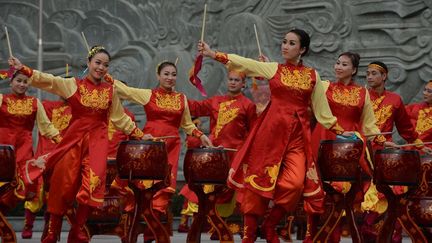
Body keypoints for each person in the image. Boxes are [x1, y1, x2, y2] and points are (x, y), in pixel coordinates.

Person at [198, 28, 349, 243]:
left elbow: (322, 111)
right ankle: (249, 234)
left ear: (303, 49)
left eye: (291, 43)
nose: (285, 46)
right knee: (257, 182)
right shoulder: (273, 69)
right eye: (284, 42)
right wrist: (213, 54)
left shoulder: (312, 75)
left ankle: (270, 223)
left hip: (297, 137)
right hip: (270, 134)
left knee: (295, 184)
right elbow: (245, 64)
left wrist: (342, 131)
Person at [8, 45, 145, 243]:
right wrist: (25, 69)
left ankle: (78, 228)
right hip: (74, 141)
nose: (101, 67)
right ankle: (53, 230)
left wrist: (140, 135)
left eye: (105, 65)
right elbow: (50, 81)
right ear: (88, 63)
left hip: (97, 144)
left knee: (94, 184)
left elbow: (120, 118)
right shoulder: (73, 85)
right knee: (62, 185)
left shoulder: (110, 90)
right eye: (97, 63)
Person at [113, 61, 212, 241]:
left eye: (173, 74)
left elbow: (187, 124)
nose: (170, 78)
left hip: (171, 147)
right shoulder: (147, 95)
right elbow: (124, 90)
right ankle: (135, 231)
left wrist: (200, 135)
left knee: (164, 189)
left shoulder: (181, 99)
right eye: (166, 74)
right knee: (143, 189)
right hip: (150, 147)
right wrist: (104, 77)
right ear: (158, 75)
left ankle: (151, 235)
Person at [308, 52, 390, 242]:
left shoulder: (363, 93)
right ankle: (314, 234)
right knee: (320, 188)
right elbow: (304, 89)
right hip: (324, 139)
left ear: (353, 70)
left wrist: (382, 140)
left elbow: (369, 124)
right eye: (337, 63)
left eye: (344, 64)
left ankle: (344, 231)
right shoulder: (324, 86)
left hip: (351, 145)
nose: (338, 67)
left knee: (351, 188)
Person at [178, 68, 257, 236]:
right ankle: (204, 226)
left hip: (235, 156)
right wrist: (178, 99)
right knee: (206, 189)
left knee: (229, 193)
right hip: (214, 156)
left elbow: (253, 132)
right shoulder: (216, 101)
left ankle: (222, 227)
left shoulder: (248, 105)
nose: (233, 82)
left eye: (237, 80)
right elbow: (195, 107)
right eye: (231, 79)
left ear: (243, 84)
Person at [360, 61, 427, 243]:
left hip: (385, 156)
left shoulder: (395, 99)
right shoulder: (361, 97)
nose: (370, 77)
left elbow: (406, 129)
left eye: (374, 73)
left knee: (389, 194)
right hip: (363, 152)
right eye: (368, 74)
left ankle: (389, 235)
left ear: (384, 76)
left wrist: (420, 145)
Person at [0, 71, 61, 238]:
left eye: (25, 81)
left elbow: (46, 126)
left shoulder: (35, 103)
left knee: (25, 184)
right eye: (18, 81)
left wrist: (60, 140)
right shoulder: (2, 99)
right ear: (11, 82)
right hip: (4, 149)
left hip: (24, 151)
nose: (22, 84)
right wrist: (4, 74)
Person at [22, 97, 72, 239]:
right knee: (37, 190)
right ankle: (28, 225)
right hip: (43, 154)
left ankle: (49, 227)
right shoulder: (46, 105)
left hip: (63, 155)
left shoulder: (77, 109)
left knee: (55, 193)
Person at [406, 80, 432, 149]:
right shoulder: (413, 108)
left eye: (429, 91)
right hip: (410, 151)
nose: (425, 93)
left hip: (428, 153)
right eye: (425, 90)